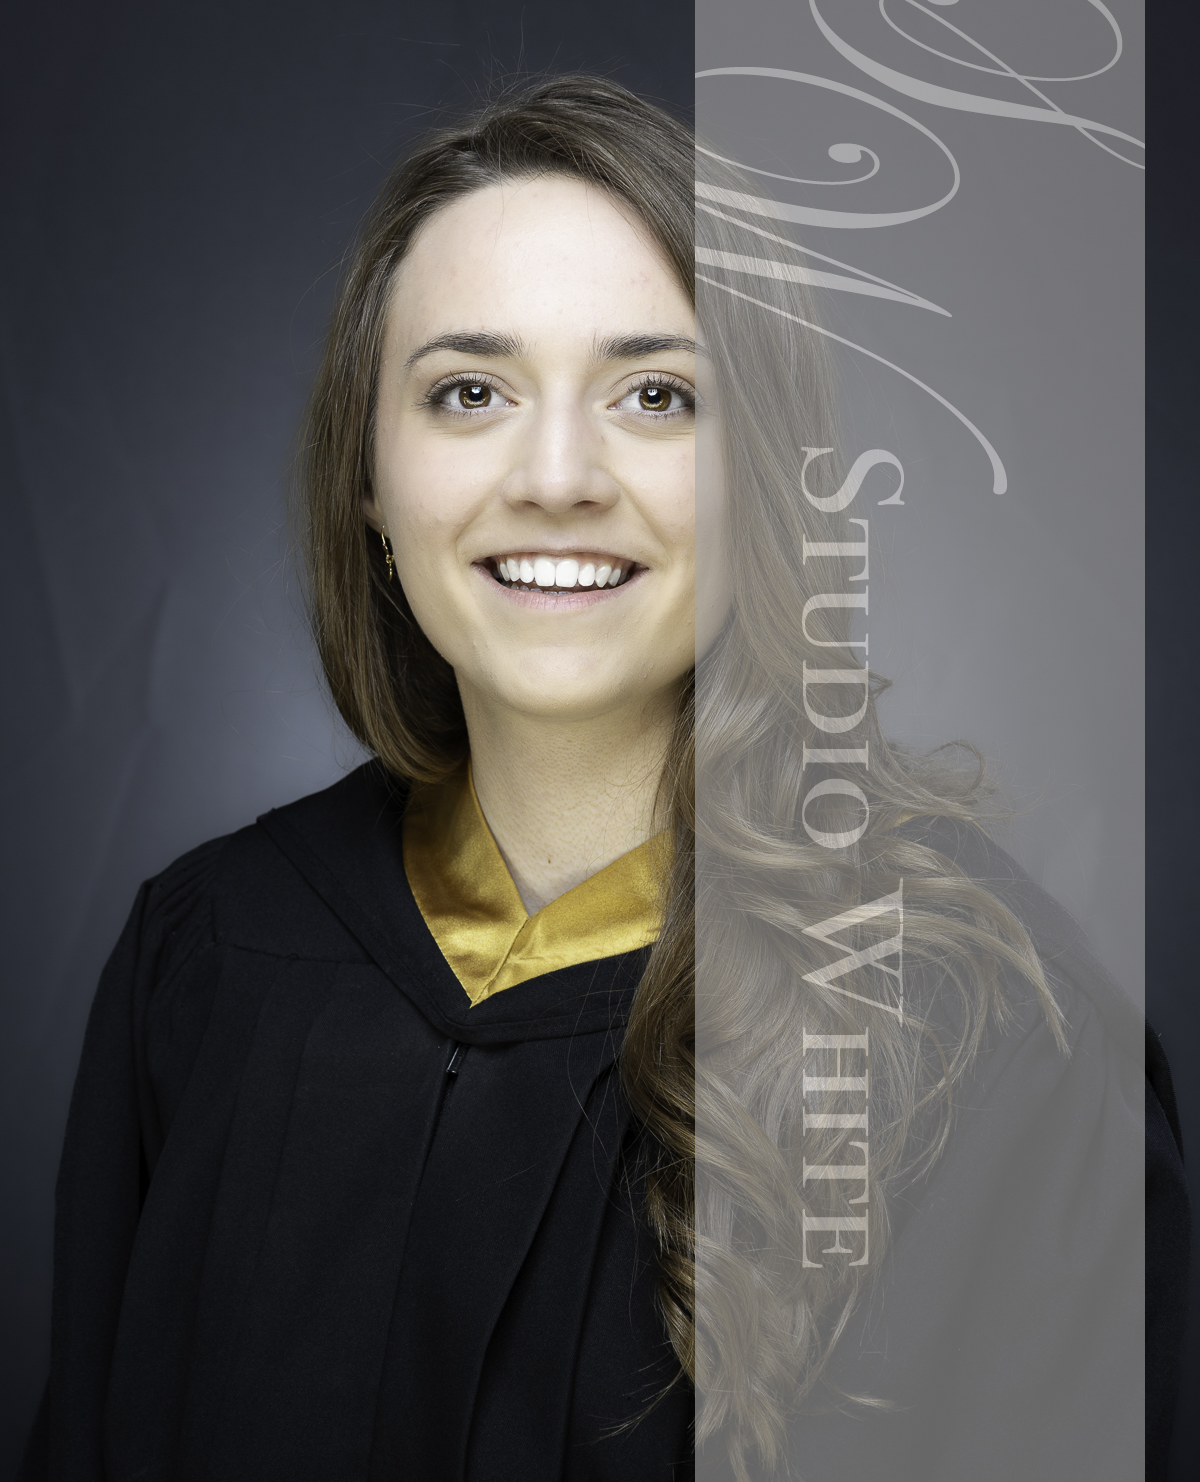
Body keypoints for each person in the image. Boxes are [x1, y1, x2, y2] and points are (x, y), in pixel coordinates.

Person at [21, 75, 1187, 1482]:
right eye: (469, 392)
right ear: (371, 479)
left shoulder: (982, 1043)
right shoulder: (209, 958)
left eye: (655, 395)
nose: (559, 475)